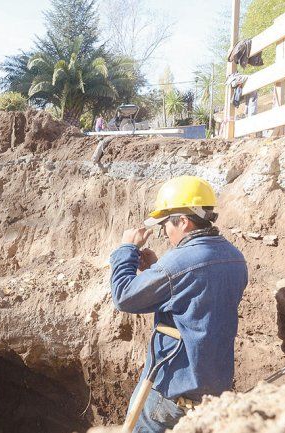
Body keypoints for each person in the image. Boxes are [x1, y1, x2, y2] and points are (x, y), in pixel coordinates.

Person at [109, 176, 248, 433]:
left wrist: (126, 250)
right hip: (213, 392)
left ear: (183, 221)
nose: (163, 231)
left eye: (165, 224)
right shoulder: (235, 258)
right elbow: (196, 300)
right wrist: (155, 269)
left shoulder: (178, 264)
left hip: (169, 390)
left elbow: (123, 296)